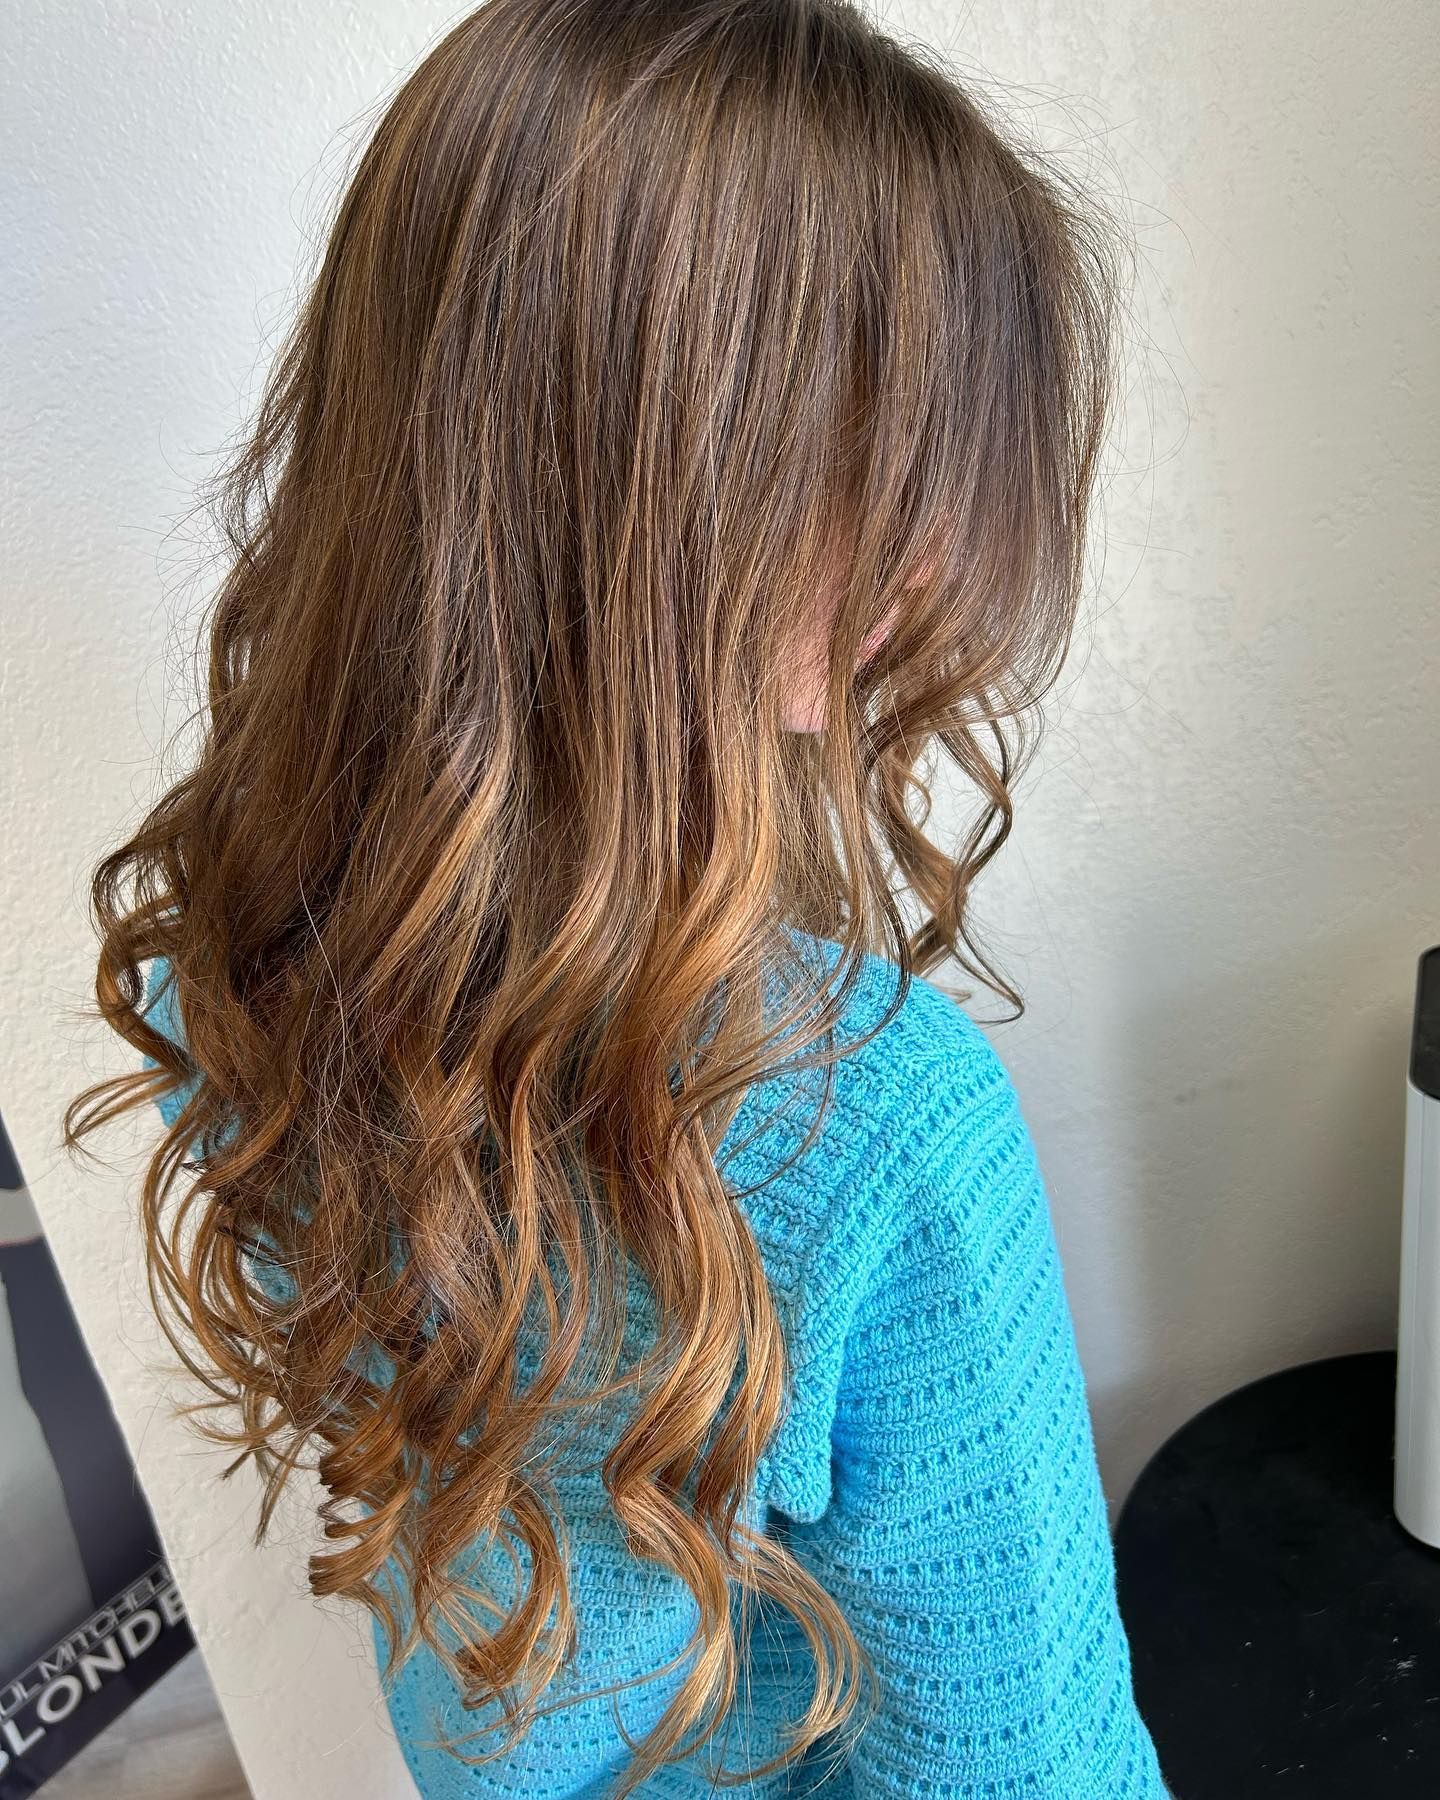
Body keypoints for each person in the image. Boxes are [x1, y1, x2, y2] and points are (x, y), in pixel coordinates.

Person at [64, 2, 1169, 1793]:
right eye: (889, 456)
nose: (946, 549)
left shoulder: (240, 953)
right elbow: (1026, 1762)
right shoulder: (881, 1125)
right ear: (664, 481)